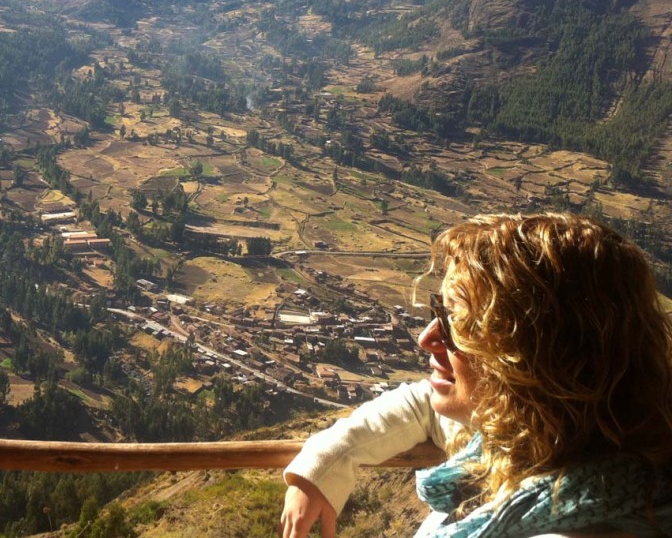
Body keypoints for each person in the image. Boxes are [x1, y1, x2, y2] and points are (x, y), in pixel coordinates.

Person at [280, 213, 672, 537]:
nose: (426, 337)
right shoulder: (539, 436)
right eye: (441, 310)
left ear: (532, 358)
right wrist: (325, 463)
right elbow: (423, 404)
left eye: (459, 321)